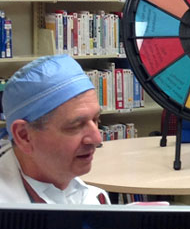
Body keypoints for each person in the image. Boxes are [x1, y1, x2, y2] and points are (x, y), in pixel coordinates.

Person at [0, 54, 109, 204]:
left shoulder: (94, 197)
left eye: (96, 120)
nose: (97, 139)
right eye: (76, 126)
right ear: (24, 136)